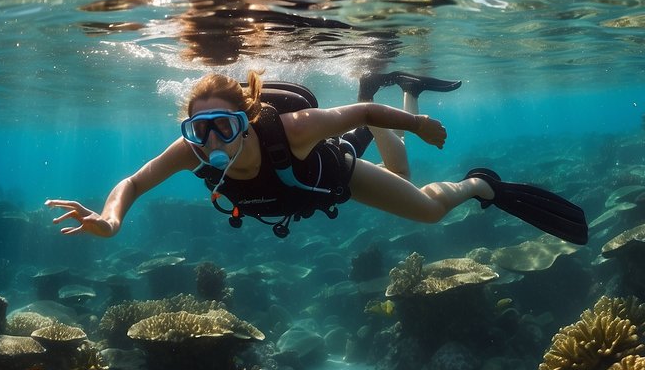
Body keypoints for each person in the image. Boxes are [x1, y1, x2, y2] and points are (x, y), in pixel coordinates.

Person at [45, 71, 587, 243]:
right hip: (310, 180)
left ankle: (480, 184)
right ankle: (405, 87)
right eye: (199, 129)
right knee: (396, 166)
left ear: (247, 117)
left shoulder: (291, 127)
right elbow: (134, 183)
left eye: (224, 126)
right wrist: (111, 218)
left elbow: (355, 116)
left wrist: (418, 125)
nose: (212, 142)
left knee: (425, 206)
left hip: (336, 171)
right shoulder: (192, 153)